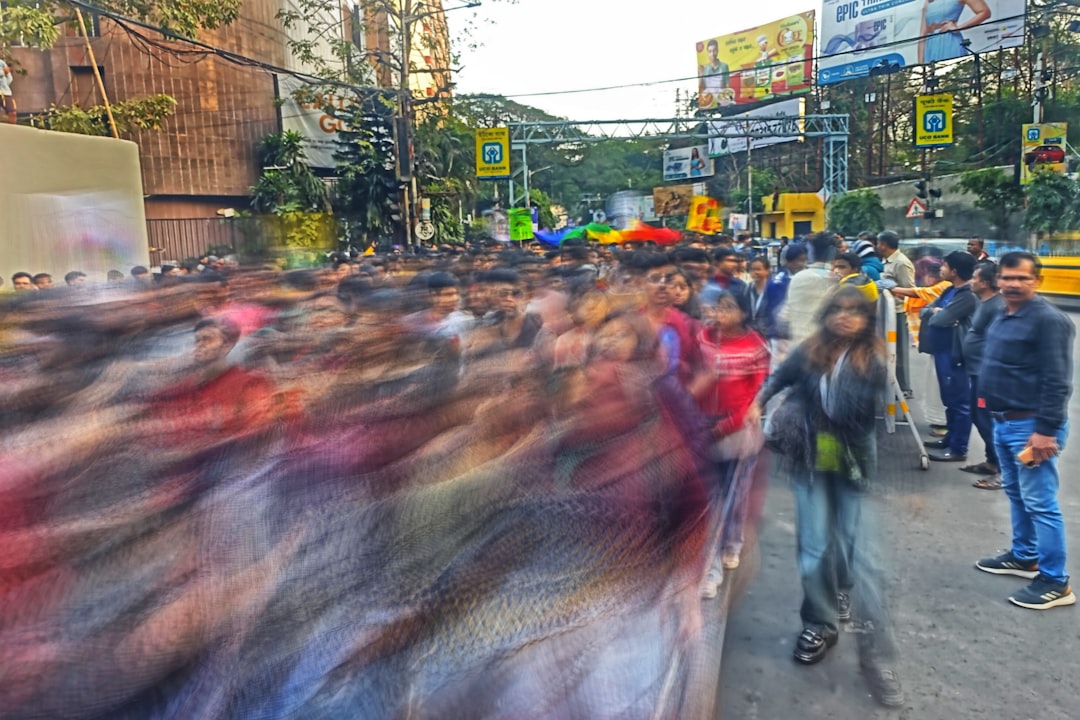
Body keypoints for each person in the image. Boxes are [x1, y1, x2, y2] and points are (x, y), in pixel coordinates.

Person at [752, 287, 903, 706]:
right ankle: (820, 622)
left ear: (866, 319)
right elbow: (779, 378)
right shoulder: (811, 349)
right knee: (815, 545)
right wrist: (759, 403)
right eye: (837, 309)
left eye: (855, 312)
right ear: (826, 314)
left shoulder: (872, 358)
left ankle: (866, 639)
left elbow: (853, 414)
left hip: (852, 460)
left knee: (855, 550)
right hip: (811, 457)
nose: (845, 317)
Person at [975, 251, 1075, 610]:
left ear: (1038, 281)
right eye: (1007, 277)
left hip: (1032, 427)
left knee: (1041, 503)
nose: (1013, 284)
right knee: (1017, 495)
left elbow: (1058, 380)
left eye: (1022, 278)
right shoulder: (1003, 313)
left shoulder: (1049, 321)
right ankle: (1024, 556)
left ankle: (1055, 581)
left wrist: (1046, 431)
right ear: (997, 279)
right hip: (1004, 422)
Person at [691, 287, 769, 596]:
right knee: (709, 502)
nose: (719, 313)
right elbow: (693, 378)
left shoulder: (756, 346)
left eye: (728, 308)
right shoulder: (703, 338)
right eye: (717, 307)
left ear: (744, 313)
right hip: (701, 430)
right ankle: (709, 568)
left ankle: (731, 544)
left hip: (736, 435)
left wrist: (727, 424)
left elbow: (757, 395)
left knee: (732, 499)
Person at [921, 252, 977, 462]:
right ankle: (950, 439)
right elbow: (925, 311)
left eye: (944, 265)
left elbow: (939, 319)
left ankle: (958, 449)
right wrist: (935, 311)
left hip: (956, 354)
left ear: (954, 270)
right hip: (943, 351)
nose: (941, 269)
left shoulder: (966, 296)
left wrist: (938, 313)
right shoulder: (949, 290)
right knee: (949, 400)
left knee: (960, 402)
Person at [961, 261, 1004, 488]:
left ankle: (1001, 470)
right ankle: (990, 461)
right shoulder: (984, 302)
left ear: (985, 283)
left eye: (975, 278)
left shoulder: (997, 307)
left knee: (986, 418)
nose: (971, 281)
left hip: (985, 374)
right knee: (979, 416)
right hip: (977, 371)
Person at [777, 231, 836, 348]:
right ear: (833, 253)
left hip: (797, 348)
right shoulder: (836, 280)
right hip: (826, 349)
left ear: (811, 252)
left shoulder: (797, 278)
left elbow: (784, 316)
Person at [875, 231, 915, 394]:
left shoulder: (901, 263)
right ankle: (892, 384)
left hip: (898, 312)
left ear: (884, 244)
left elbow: (911, 290)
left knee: (899, 351)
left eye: (878, 243)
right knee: (889, 350)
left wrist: (891, 288)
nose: (877, 247)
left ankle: (904, 387)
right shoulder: (888, 261)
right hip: (887, 311)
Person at [919, 0, 992, 64]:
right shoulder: (928, 1)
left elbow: (985, 12)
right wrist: (920, 63)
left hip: (950, 42)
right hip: (931, 46)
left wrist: (959, 28)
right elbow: (922, 35)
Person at [0, 57, 15, 124]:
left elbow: (10, 77)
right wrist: (3, 72)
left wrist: (5, 86)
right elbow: (4, 72)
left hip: (5, 92)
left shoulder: (2, 62)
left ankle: (13, 131)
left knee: (12, 112)